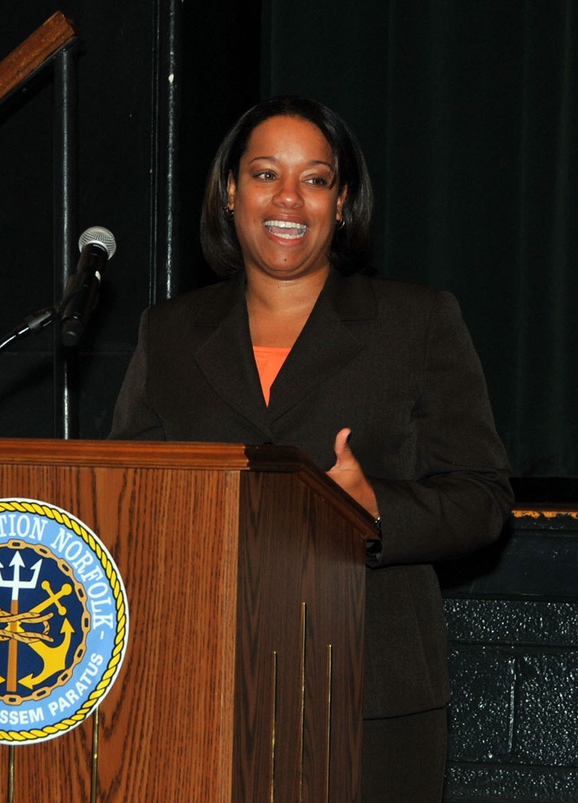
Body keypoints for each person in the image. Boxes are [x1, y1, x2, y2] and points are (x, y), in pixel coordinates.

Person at [109, 96, 513, 801]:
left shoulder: (416, 321)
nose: (288, 197)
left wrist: (376, 509)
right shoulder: (169, 332)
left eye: (316, 179)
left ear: (342, 200)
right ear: (231, 192)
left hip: (370, 692)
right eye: (265, 174)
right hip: (195, 684)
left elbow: (483, 497)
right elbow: (127, 498)